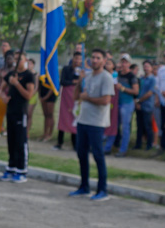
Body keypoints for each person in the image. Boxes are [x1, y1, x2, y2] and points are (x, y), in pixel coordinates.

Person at [68, 49, 115, 202]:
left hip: (97, 122)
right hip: (83, 120)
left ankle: (102, 189)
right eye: (93, 57)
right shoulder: (87, 76)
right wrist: (79, 82)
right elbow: (76, 97)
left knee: (97, 155)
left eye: (98, 58)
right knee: (81, 154)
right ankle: (84, 186)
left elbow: (106, 100)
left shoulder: (106, 78)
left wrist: (88, 98)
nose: (94, 60)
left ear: (103, 61)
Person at [0, 52, 35, 183]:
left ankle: (21, 170)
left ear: (25, 60)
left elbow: (29, 95)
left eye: (20, 58)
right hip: (11, 111)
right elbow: (0, 89)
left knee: (21, 141)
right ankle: (11, 167)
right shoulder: (11, 74)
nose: (17, 61)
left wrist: (16, 84)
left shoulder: (28, 76)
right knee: (11, 141)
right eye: (15, 58)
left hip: (21, 112)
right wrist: (3, 96)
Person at [55, 52, 82, 150]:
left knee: (74, 118)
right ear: (73, 58)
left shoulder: (82, 71)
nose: (77, 60)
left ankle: (75, 144)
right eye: (76, 58)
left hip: (76, 98)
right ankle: (59, 142)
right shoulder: (66, 69)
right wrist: (73, 82)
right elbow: (62, 81)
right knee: (63, 118)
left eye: (79, 59)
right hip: (66, 97)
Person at [114, 53, 139, 157]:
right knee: (115, 126)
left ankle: (123, 149)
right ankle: (113, 146)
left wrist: (123, 88)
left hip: (127, 104)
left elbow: (136, 91)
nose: (123, 64)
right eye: (122, 61)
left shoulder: (132, 76)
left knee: (125, 127)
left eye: (126, 62)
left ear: (129, 63)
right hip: (117, 103)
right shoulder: (117, 74)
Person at [134, 60, 157, 151]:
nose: (146, 68)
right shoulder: (141, 79)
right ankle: (138, 144)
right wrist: (137, 102)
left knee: (148, 126)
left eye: (148, 66)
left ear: (151, 68)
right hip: (139, 105)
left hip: (147, 106)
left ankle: (149, 144)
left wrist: (139, 101)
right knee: (139, 126)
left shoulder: (152, 79)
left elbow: (150, 93)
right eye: (144, 66)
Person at [0, 50, 15, 137]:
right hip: (2, 95)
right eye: (7, 59)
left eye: (11, 59)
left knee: (11, 114)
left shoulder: (15, 71)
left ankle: (9, 131)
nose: (9, 61)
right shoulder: (1, 71)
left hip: (12, 95)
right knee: (1, 114)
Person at [38, 53, 59, 142]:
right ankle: (45, 133)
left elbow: (53, 86)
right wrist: (40, 96)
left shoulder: (53, 71)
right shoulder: (43, 71)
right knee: (45, 115)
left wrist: (46, 97)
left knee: (50, 115)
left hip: (50, 96)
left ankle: (49, 134)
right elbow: (40, 84)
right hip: (43, 95)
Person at [26, 58, 39, 135]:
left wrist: (31, 94)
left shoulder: (36, 74)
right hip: (25, 95)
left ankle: (27, 131)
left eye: (30, 63)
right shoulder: (25, 73)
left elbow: (36, 87)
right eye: (28, 63)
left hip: (32, 96)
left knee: (29, 114)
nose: (29, 65)